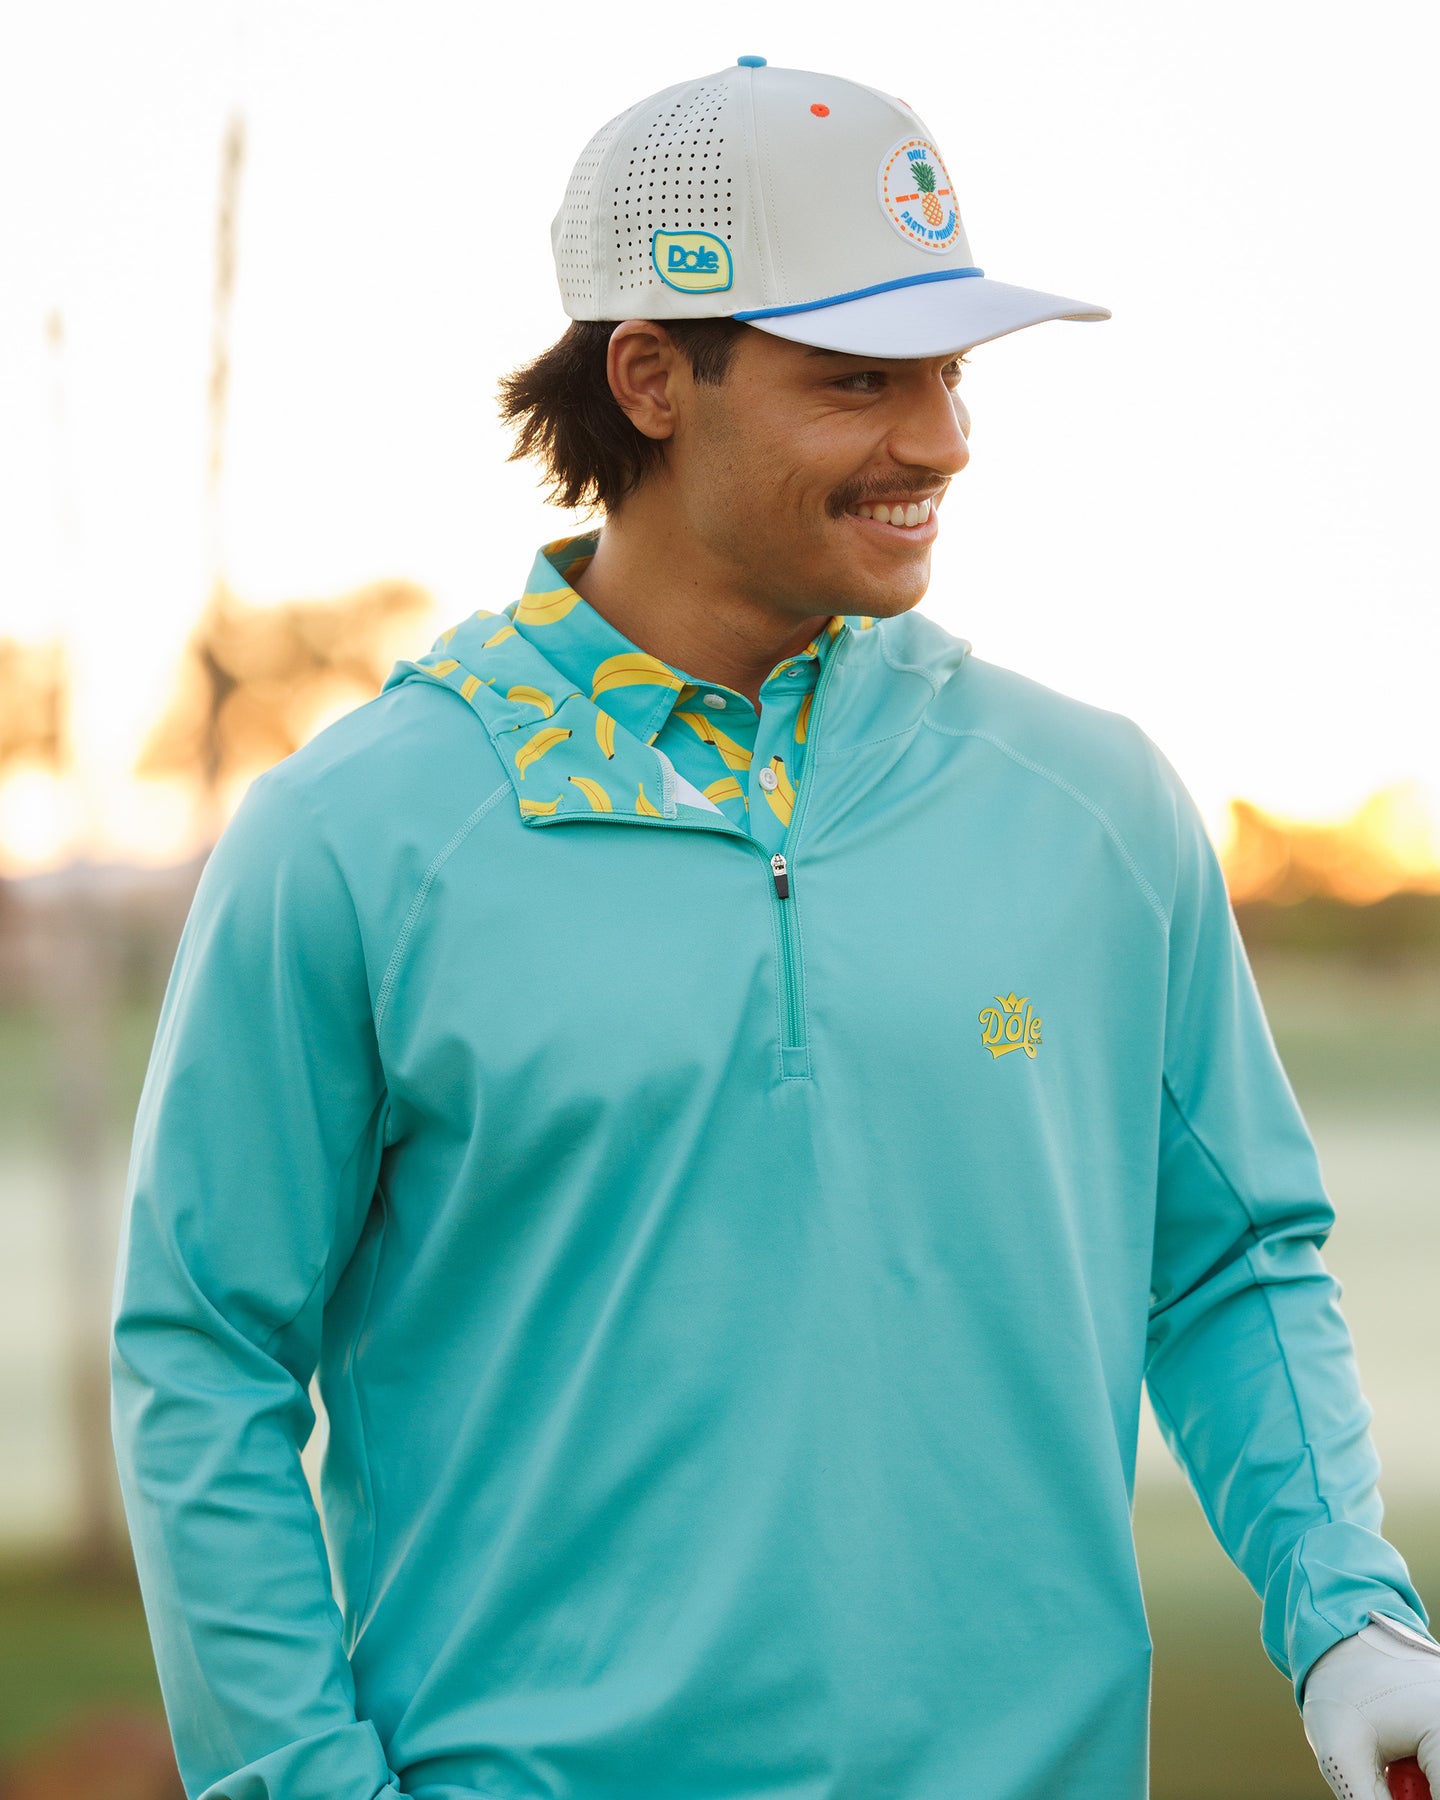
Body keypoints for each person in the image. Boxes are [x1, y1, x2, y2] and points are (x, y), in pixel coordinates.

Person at [110, 56, 1440, 1800]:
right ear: (652, 379)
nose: (941, 440)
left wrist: (1348, 1612)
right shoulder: (353, 839)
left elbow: (1229, 1264)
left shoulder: (1095, 808)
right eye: (860, 380)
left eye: (951, 374)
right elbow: (204, 1357)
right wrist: (302, 1779)